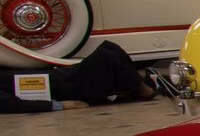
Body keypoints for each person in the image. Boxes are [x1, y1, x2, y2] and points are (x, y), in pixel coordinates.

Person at [1, 41, 157, 114]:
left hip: (65, 75)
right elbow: (13, 105)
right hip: (69, 88)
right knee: (107, 54)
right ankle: (142, 89)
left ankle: (136, 87)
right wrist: (62, 105)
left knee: (110, 48)